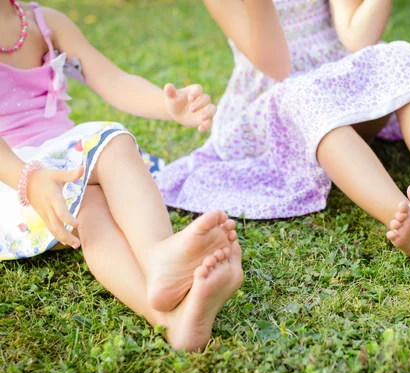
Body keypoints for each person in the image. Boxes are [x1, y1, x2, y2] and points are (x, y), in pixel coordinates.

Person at [158, 0, 410, 262]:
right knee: (303, 95)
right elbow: (275, 66)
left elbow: (357, 40)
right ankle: (405, 217)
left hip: (342, 84)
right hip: (276, 107)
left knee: (399, 58)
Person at [0, 0, 243, 352]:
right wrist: (30, 179)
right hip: (11, 181)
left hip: (64, 163)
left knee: (90, 202)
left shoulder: (45, 22)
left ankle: (170, 320)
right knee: (111, 141)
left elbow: (112, 80)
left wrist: (168, 107)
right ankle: (157, 254)